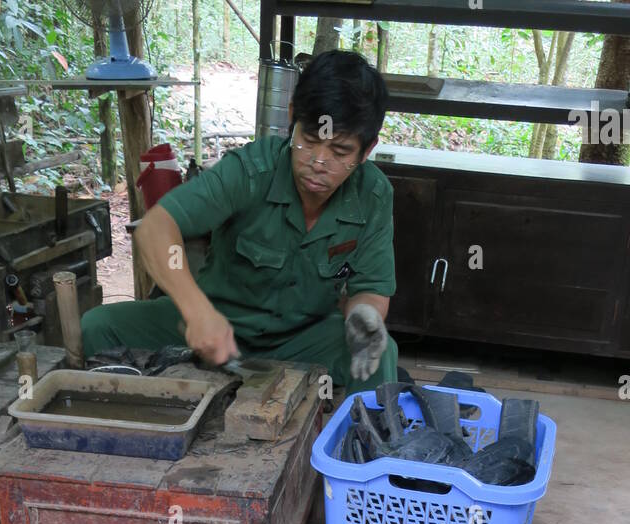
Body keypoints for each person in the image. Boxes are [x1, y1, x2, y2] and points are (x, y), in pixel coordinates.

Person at [81, 50, 399, 395]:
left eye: (339, 152)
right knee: (98, 326)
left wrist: (364, 315)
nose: (318, 162)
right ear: (292, 117)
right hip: (214, 323)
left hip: (303, 338)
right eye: (308, 141)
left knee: (381, 355)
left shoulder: (373, 195)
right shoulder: (250, 170)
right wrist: (196, 310)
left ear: (366, 151)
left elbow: (372, 288)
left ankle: (354, 448)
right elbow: (156, 228)